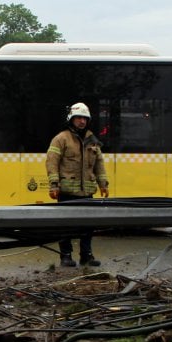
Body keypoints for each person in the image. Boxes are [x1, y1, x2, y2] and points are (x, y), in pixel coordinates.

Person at [45, 102, 109, 267]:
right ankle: (65, 256)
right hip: (66, 191)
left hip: (87, 191)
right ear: (71, 119)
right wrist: (54, 185)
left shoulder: (92, 140)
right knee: (65, 226)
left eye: (85, 118)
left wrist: (103, 184)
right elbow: (52, 163)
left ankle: (86, 256)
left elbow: (99, 164)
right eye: (78, 118)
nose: (82, 121)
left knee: (88, 226)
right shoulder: (61, 138)